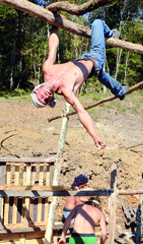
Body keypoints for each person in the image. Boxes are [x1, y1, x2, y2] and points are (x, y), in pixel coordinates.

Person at [31, 17, 127, 149]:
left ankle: (121, 91)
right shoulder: (66, 91)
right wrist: (95, 137)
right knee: (97, 23)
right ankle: (111, 35)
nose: (46, 96)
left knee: (102, 76)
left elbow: (53, 46)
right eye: (46, 100)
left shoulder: (48, 69)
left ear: (37, 89)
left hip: (84, 58)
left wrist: (55, 24)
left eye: (41, 97)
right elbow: (82, 113)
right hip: (95, 58)